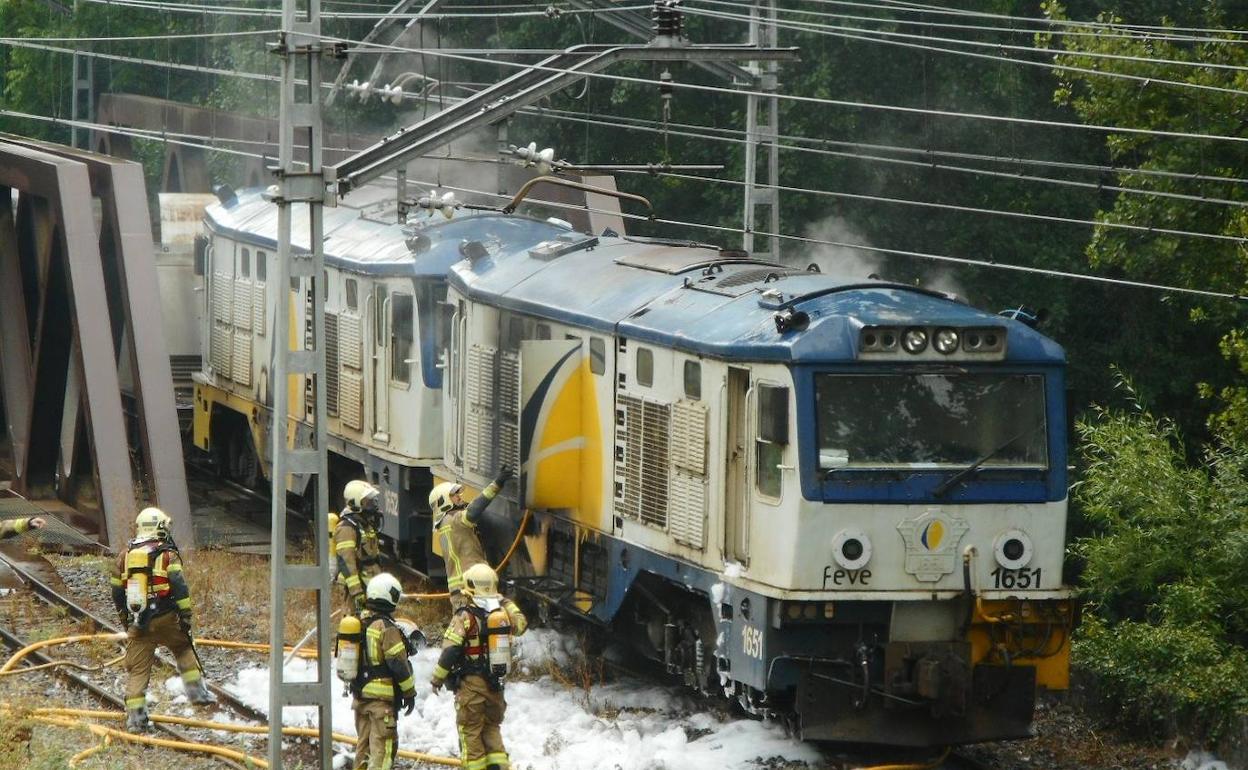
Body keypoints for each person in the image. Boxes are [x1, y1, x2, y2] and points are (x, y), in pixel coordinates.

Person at [110, 507, 210, 732]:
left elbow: (117, 593)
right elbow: (179, 586)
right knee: (183, 647)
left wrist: (126, 620)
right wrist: (185, 617)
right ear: (159, 528)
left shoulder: (124, 556)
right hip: (165, 618)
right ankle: (197, 694)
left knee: (137, 670)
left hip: (138, 622)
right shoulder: (167, 555)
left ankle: (136, 720)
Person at [430, 563, 528, 770]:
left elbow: (450, 651)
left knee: (470, 734)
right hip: (495, 687)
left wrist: (437, 679)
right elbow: (521, 625)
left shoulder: (464, 616)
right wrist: (505, 601)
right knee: (492, 729)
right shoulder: (502, 615)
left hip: (472, 687)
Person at [351, 572, 417, 770]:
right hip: (381, 705)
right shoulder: (386, 627)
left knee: (364, 750)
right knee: (383, 752)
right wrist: (409, 692)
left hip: (361, 698)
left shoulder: (360, 623)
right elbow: (397, 663)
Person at [428, 465, 515, 608]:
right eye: (454, 495)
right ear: (443, 500)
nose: (459, 497)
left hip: (466, 589)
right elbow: (475, 510)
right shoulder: (454, 521)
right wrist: (498, 483)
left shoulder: (445, 525)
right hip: (469, 588)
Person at [336, 480, 384, 613]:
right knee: (354, 624)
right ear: (355, 503)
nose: (372, 504)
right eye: (366, 501)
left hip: (370, 584)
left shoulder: (364, 524)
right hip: (357, 587)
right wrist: (356, 592)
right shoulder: (347, 528)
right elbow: (347, 562)